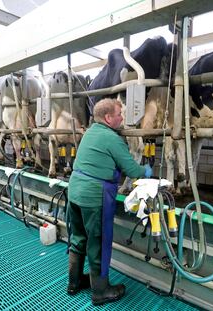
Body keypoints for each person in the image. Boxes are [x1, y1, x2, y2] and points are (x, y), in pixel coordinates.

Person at [66, 98, 152, 306]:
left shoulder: (90, 133)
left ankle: (74, 282)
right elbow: (132, 171)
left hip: (74, 192)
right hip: (95, 197)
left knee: (78, 239)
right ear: (108, 118)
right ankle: (101, 291)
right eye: (119, 114)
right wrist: (147, 171)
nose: (123, 118)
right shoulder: (111, 138)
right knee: (99, 243)